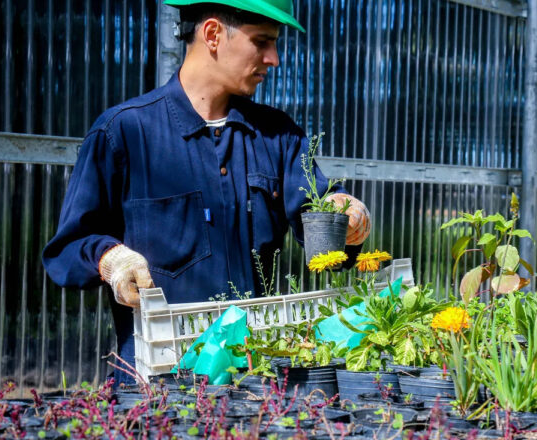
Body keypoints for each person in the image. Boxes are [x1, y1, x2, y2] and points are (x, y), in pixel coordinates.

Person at [42, 0, 370, 384]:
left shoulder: (278, 137)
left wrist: (344, 214)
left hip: (256, 377)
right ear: (213, 34)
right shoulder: (125, 133)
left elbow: (321, 224)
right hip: (158, 380)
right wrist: (108, 257)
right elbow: (66, 249)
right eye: (262, 42)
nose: (274, 59)